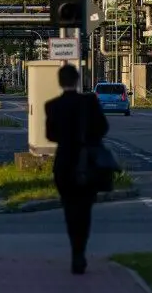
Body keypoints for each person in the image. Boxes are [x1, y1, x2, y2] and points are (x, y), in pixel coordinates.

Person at [45, 64, 110, 274]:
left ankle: (75, 249)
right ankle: (80, 252)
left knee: (70, 208)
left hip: (64, 163)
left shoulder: (53, 105)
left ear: (60, 82)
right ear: (77, 79)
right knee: (85, 209)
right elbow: (103, 127)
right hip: (87, 162)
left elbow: (50, 136)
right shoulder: (89, 102)